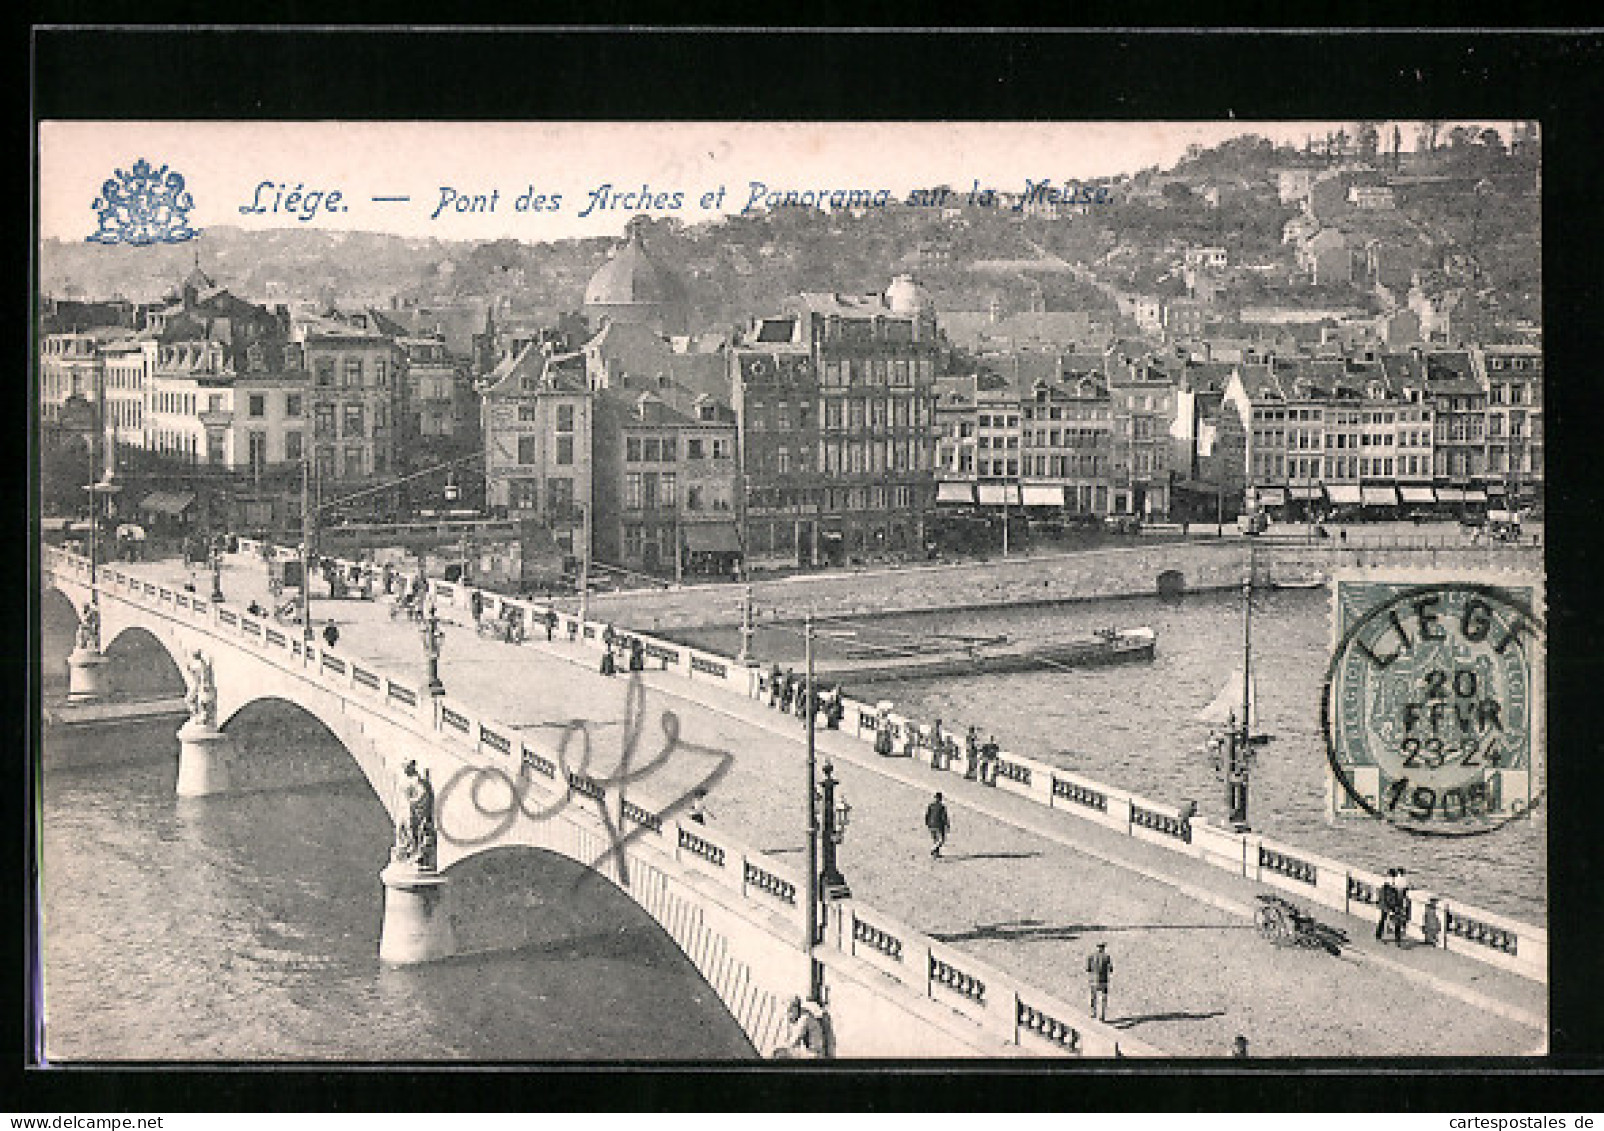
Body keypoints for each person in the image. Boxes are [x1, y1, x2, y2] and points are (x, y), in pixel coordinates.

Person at [1087, 942, 1113, 1021]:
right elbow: (1111, 969)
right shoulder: (1107, 957)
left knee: (1093, 997)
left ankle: (1093, 1012)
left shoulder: (1091, 956)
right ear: (1103, 948)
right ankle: (1102, 1015)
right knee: (1104, 997)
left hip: (1094, 980)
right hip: (1104, 980)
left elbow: (1088, 969)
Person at [925, 791, 950, 858]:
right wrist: (947, 825)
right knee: (941, 840)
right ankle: (933, 850)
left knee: (935, 839)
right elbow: (944, 817)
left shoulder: (931, 805)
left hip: (931, 824)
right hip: (938, 825)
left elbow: (927, 815)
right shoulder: (942, 807)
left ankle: (936, 854)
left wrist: (927, 823)